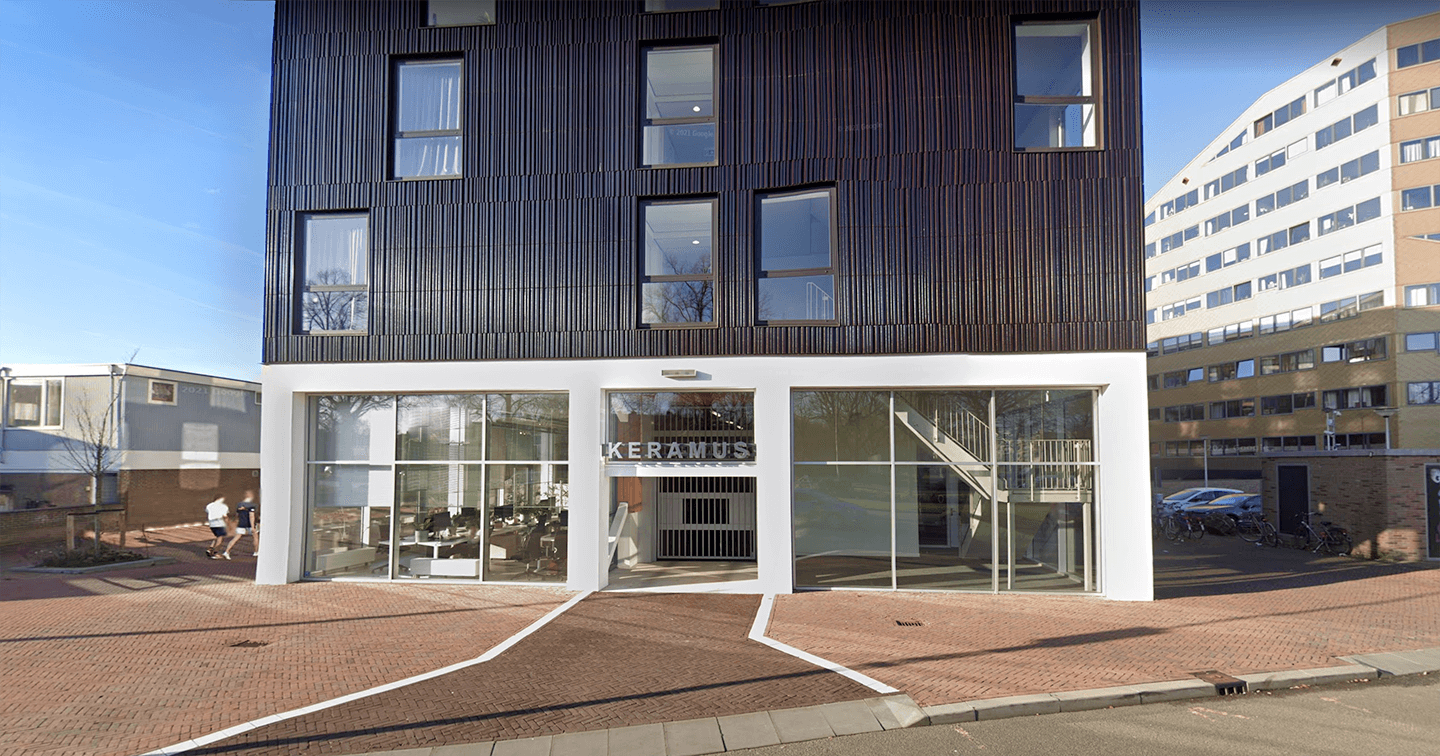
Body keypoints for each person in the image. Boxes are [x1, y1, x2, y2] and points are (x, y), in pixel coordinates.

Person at [225, 490, 259, 558]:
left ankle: (226, 551)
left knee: (236, 538)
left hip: (241, 523)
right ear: (252, 496)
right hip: (249, 524)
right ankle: (256, 552)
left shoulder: (239, 505)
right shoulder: (252, 505)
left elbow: (237, 515)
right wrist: (253, 527)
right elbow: (251, 516)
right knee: (255, 537)